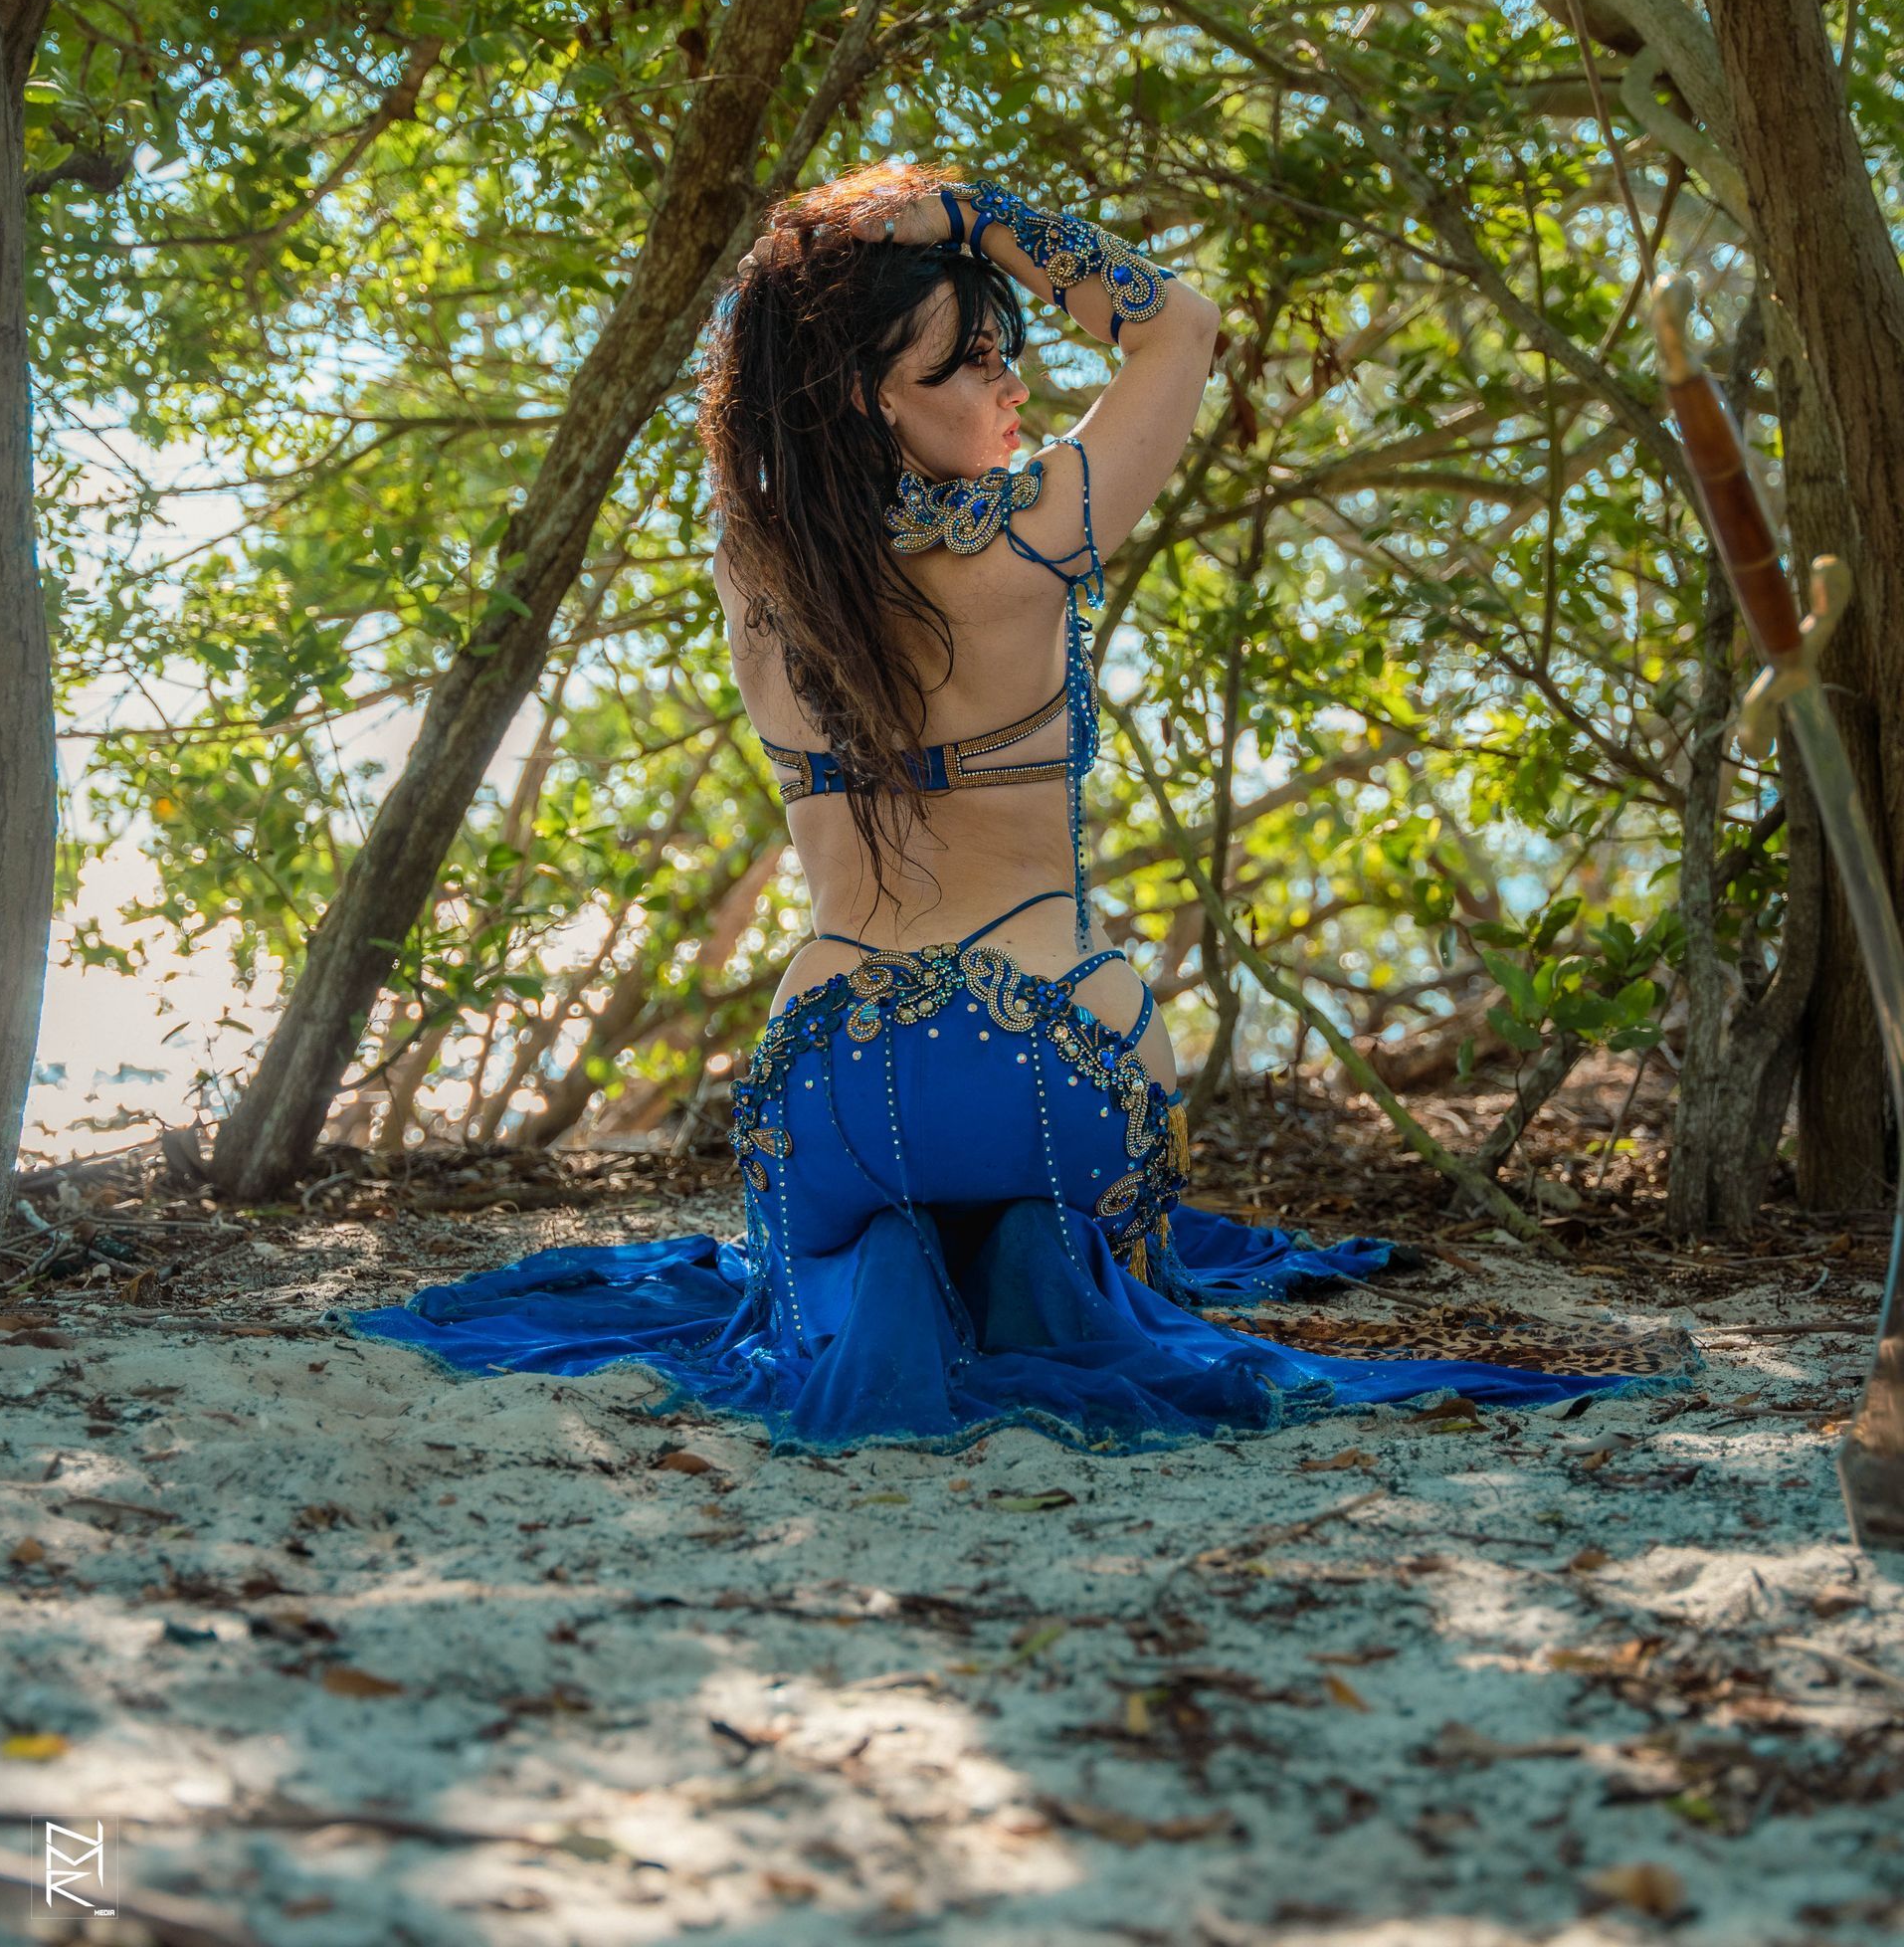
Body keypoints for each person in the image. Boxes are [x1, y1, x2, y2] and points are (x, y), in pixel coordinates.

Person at [335, 164, 1694, 1448]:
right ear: (869, 398)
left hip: (837, 1069)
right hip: (1055, 1055)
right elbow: (1181, 329)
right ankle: (1042, 1264)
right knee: (1075, 1247)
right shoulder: (1032, 534)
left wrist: (819, 273)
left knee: (841, 1266)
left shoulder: (753, 563)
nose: (1011, 379)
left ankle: (891, 1273)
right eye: (966, 361)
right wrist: (969, 216)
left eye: (1006, 349)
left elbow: (756, 375)